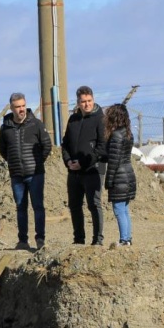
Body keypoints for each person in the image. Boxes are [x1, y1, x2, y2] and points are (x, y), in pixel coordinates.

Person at [0, 92, 52, 250]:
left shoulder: (36, 124)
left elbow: (47, 145)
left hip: (35, 174)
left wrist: (37, 162)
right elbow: (3, 149)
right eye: (17, 107)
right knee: (21, 207)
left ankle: (40, 239)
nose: (21, 109)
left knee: (38, 206)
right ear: (11, 108)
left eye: (23, 106)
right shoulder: (5, 128)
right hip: (16, 176)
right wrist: (14, 162)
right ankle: (22, 240)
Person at [62, 86, 106, 245]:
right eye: (83, 102)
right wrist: (68, 161)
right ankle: (79, 240)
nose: (87, 104)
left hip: (93, 170)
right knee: (74, 205)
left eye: (89, 101)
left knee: (94, 204)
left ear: (93, 100)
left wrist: (83, 163)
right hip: (73, 171)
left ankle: (98, 240)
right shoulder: (73, 120)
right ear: (78, 102)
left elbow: (102, 147)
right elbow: (65, 144)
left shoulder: (100, 119)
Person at [101, 103, 136, 246]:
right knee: (124, 209)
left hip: (119, 178)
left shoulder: (116, 136)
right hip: (128, 174)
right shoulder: (128, 134)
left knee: (119, 209)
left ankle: (124, 240)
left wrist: (108, 182)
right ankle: (127, 239)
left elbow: (114, 162)